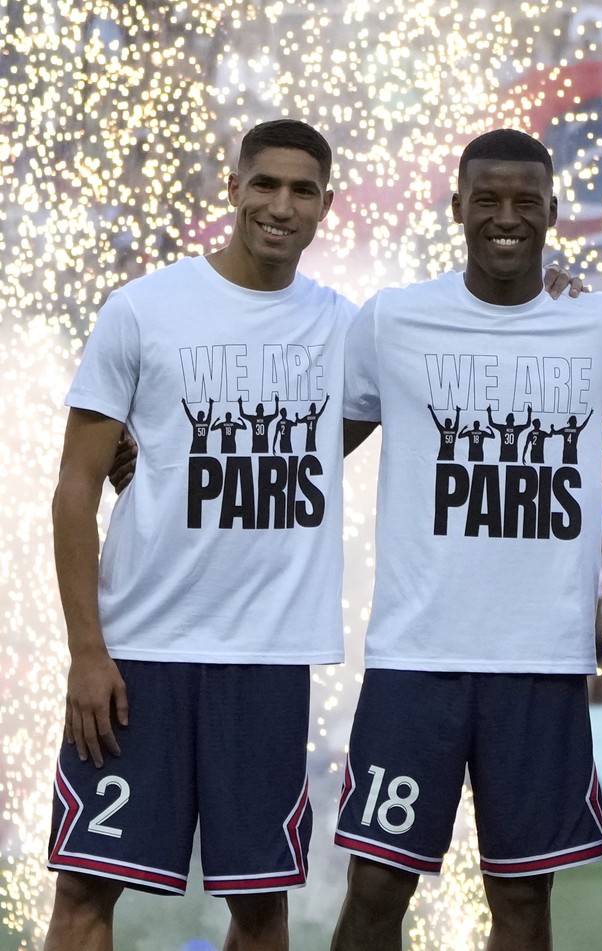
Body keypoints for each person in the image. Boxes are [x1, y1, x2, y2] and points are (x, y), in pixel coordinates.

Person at [329, 128, 602, 951]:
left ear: (553, 211)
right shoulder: (394, 320)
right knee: (375, 887)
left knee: (522, 899)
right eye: (487, 200)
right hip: (416, 657)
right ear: (456, 208)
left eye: (524, 202)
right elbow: (313, 448)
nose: (505, 217)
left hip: (541, 662)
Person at [47, 118, 353, 951]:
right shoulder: (144, 308)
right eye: (264, 184)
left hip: (266, 656)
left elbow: (347, 427)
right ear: (233, 188)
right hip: (137, 652)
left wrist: (557, 296)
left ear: (328, 203)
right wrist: (86, 650)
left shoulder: (347, 327)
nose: (279, 205)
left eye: (300, 190)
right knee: (83, 893)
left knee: (259, 907)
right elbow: (76, 486)